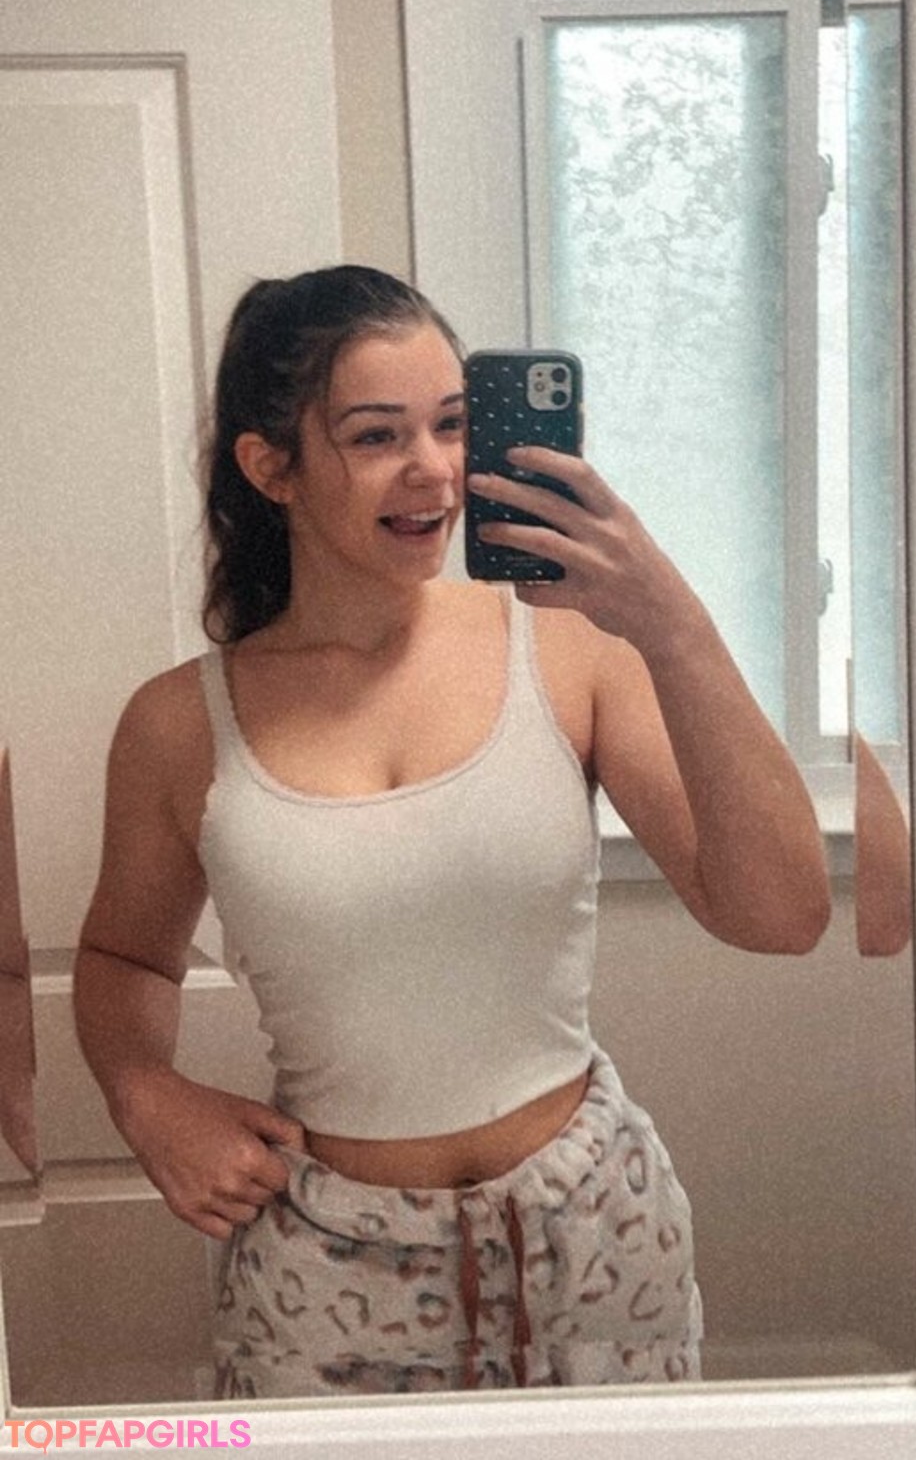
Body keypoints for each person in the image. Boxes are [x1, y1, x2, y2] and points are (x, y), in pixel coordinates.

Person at [74, 264, 830, 1398]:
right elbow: (123, 955)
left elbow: (782, 913)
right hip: (325, 1269)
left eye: (452, 423)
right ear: (271, 466)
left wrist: (669, 622)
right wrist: (143, 1090)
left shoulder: (567, 647)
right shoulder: (179, 725)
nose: (434, 467)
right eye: (378, 434)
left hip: (596, 1237)